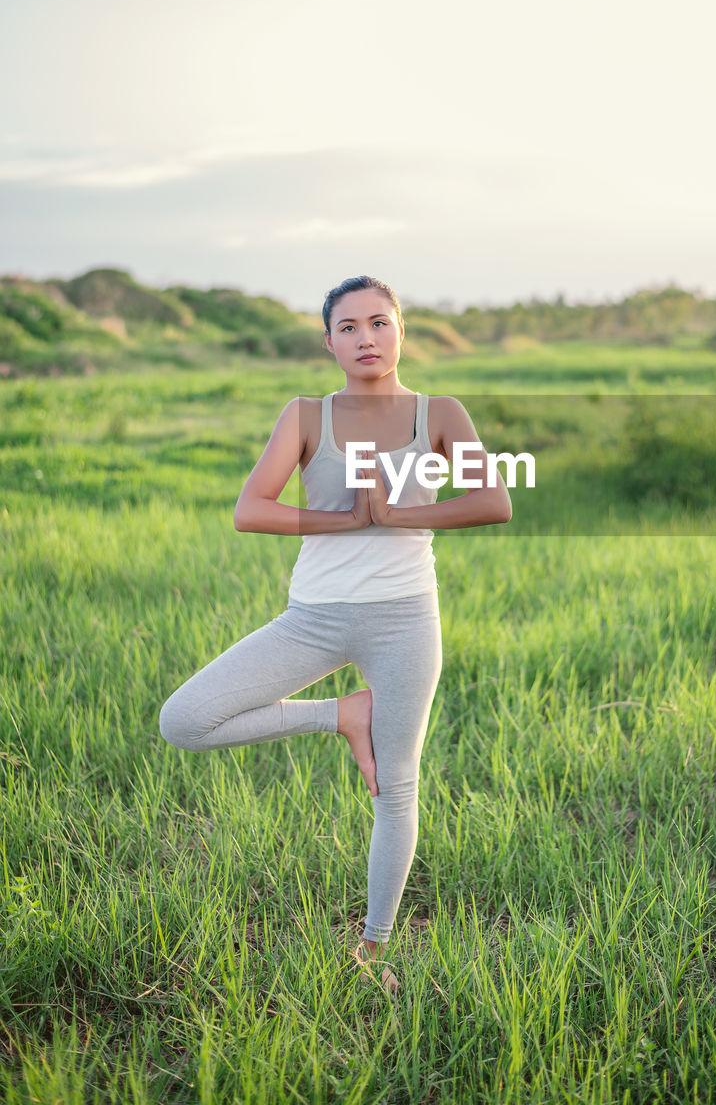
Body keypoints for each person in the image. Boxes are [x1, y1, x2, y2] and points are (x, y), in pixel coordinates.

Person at [158, 274, 512, 996]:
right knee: (185, 721)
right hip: (313, 617)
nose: (366, 339)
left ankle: (373, 949)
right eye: (348, 328)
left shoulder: (438, 412)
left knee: (396, 785)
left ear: (401, 330)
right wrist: (345, 520)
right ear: (328, 343)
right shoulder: (305, 415)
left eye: (379, 323)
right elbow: (250, 509)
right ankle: (341, 716)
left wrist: (399, 516)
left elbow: (493, 501)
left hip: (405, 618)